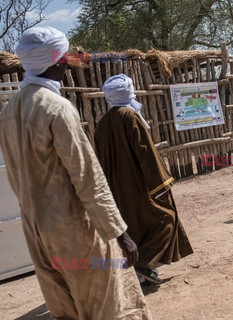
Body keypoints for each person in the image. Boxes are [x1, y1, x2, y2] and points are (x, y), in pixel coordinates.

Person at [0, 27, 152, 319]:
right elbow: (88, 178)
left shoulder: (10, 112)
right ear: (55, 62)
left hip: (36, 231)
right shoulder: (58, 110)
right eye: (65, 59)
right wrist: (120, 233)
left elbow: (15, 177)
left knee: (65, 308)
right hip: (76, 230)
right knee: (107, 305)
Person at [94, 74, 193, 283]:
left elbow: (100, 158)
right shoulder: (130, 116)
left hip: (118, 188)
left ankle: (141, 274)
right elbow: (146, 153)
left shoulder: (102, 123)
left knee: (135, 227)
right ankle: (143, 264)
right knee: (166, 219)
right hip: (139, 186)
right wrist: (161, 184)